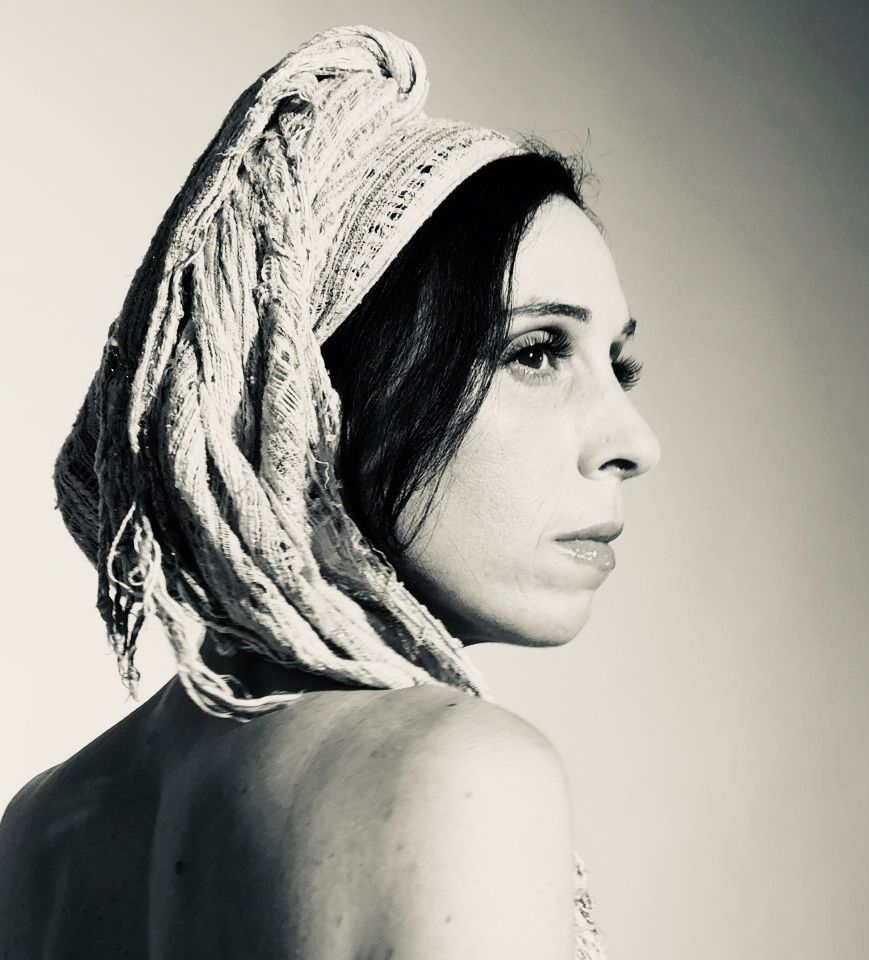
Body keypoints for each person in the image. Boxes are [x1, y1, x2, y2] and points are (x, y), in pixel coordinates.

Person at [0, 25, 659, 959]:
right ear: (317, 384)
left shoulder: (40, 830)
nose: (635, 443)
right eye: (536, 351)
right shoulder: (458, 773)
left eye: (619, 366)